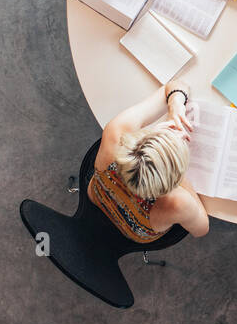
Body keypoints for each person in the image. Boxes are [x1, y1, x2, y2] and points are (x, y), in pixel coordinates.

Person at [87, 79, 210, 242]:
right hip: (133, 232)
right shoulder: (177, 202)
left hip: (97, 196)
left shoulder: (115, 133)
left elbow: (173, 85)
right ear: (173, 183)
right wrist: (181, 174)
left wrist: (175, 104)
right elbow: (202, 229)